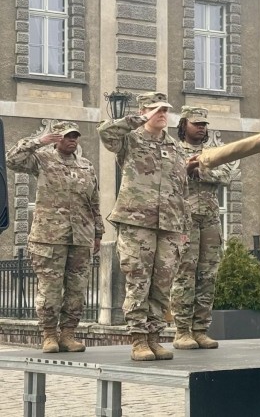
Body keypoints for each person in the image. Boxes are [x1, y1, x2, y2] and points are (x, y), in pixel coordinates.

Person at [98, 92, 190, 361]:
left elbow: (181, 189)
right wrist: (137, 119)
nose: (162, 114)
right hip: (136, 221)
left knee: (162, 284)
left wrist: (183, 228)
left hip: (170, 225)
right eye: (156, 109)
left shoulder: (174, 147)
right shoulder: (130, 139)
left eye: (165, 110)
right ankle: (138, 338)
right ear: (144, 111)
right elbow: (105, 133)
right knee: (139, 279)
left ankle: (154, 337)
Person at [6, 121, 103, 353]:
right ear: (57, 138)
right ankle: (49, 334)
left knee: (77, 290)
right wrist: (37, 142)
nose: (72, 140)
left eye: (75, 136)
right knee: (50, 289)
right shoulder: (42, 159)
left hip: (80, 238)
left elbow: (94, 202)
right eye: (67, 136)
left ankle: (68, 334)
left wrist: (98, 233)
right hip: (49, 238)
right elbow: (12, 160)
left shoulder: (86, 165)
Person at [171, 106, 231, 350]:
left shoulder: (212, 151)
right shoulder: (174, 150)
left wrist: (201, 170)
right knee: (185, 275)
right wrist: (186, 171)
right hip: (184, 220)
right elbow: (169, 176)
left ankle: (200, 329)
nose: (202, 128)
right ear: (184, 124)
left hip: (210, 220)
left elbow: (227, 174)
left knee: (207, 276)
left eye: (205, 124)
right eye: (197, 124)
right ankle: (182, 330)